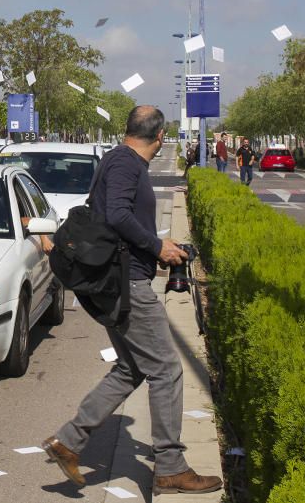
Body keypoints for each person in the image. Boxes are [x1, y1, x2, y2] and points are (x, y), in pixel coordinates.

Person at [41, 106, 222, 496]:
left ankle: (69, 442)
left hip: (120, 282)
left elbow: (115, 221)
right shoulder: (127, 165)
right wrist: (157, 246)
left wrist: (156, 251)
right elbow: (119, 215)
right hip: (129, 288)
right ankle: (171, 466)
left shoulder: (115, 159)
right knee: (167, 371)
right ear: (159, 137)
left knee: (130, 368)